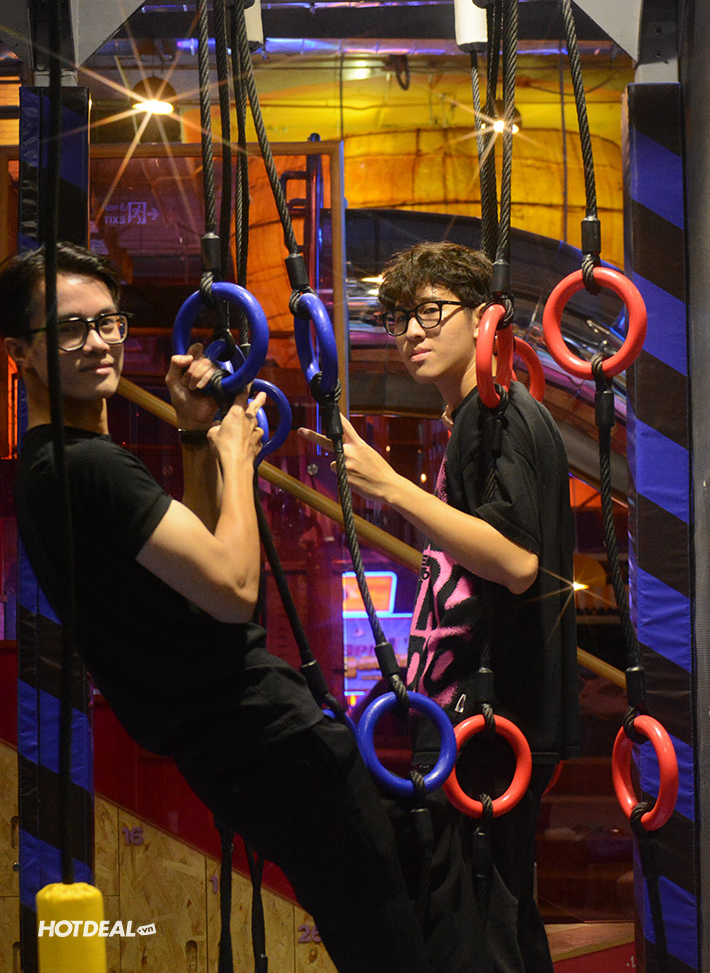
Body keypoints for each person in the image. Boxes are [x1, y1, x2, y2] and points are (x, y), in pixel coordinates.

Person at [0, 241, 434, 973]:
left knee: (394, 909)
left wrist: (197, 434)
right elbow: (232, 592)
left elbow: (194, 568)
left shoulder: (53, 468)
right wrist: (237, 454)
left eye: (107, 321)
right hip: (270, 739)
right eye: (69, 329)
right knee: (393, 944)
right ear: (21, 352)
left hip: (239, 755)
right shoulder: (89, 466)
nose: (99, 342)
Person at [300, 241, 580, 973]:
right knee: (482, 928)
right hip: (468, 721)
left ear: (485, 319)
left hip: (489, 725)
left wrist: (389, 487)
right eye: (399, 318)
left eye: (430, 312)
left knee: (479, 937)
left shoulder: (497, 415)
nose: (411, 333)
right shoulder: (476, 419)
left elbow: (516, 562)